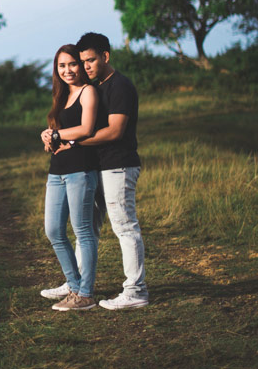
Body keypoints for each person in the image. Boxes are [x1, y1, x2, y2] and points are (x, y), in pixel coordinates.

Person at [73, 32, 149, 309]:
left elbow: (115, 131)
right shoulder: (94, 87)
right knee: (86, 227)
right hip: (98, 167)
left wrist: (76, 141)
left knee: (125, 226)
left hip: (119, 165)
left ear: (105, 56)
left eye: (91, 60)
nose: (86, 66)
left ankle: (136, 291)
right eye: (83, 62)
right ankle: (76, 285)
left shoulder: (120, 86)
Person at [38, 44, 102, 311]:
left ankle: (85, 294)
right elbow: (59, 131)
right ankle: (74, 286)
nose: (67, 70)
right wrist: (48, 135)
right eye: (62, 66)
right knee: (53, 230)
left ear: (81, 65)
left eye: (72, 64)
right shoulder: (61, 95)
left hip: (81, 170)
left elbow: (86, 128)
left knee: (82, 231)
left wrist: (57, 134)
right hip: (57, 171)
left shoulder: (88, 92)